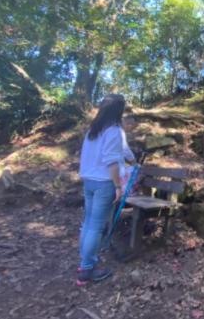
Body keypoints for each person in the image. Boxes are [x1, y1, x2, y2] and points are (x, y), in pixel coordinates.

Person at [77, 94, 130, 285]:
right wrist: (118, 186)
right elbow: (112, 162)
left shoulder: (93, 129)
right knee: (96, 226)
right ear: (119, 110)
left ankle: (85, 262)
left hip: (89, 180)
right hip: (103, 183)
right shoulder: (113, 130)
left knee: (88, 223)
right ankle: (87, 269)